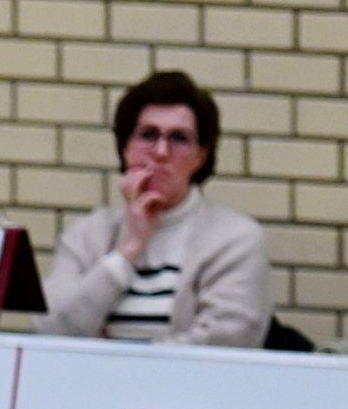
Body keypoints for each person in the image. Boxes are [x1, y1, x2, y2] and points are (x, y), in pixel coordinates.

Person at [40, 69, 271, 348]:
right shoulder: (87, 234)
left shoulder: (236, 239)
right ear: (125, 147)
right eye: (148, 135)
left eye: (179, 138)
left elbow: (230, 338)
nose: (161, 152)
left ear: (201, 156)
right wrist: (128, 251)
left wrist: (117, 357)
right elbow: (50, 328)